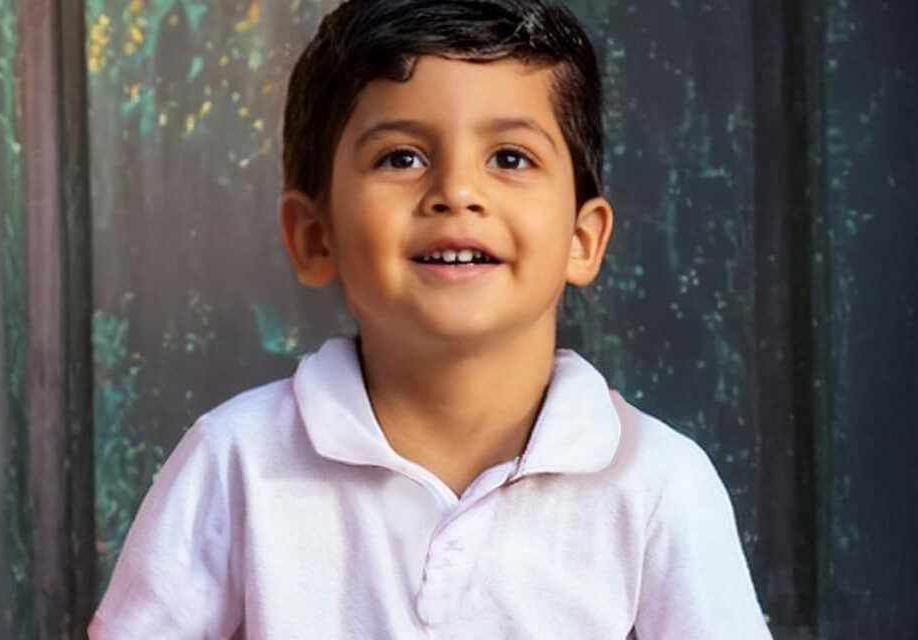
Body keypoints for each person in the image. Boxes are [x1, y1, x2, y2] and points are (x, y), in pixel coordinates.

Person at [89, 0, 773, 637]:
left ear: (582, 239)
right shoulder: (235, 459)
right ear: (313, 236)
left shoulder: (658, 483)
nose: (457, 192)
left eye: (510, 157)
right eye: (402, 157)